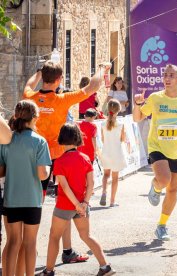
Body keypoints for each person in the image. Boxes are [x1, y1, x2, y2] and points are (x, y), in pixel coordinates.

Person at [23, 60, 111, 263]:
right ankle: (66, 251)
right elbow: (93, 87)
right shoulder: (62, 99)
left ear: (44, 78)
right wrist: (101, 68)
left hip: (35, 157)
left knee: (35, 205)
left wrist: (38, 72)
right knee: (66, 203)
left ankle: (35, 250)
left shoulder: (30, 97)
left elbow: (28, 85)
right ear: (59, 79)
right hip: (59, 158)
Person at [133, 64, 177, 241]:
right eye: (165, 75)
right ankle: (155, 186)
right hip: (157, 146)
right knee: (164, 180)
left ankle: (162, 225)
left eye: (171, 75)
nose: (167, 78)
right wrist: (138, 103)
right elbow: (137, 117)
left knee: (172, 190)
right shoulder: (156, 98)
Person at [38, 123, 115, 276]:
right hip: (82, 205)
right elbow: (91, 183)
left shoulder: (59, 161)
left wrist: (76, 204)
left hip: (64, 205)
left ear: (61, 138)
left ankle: (48, 270)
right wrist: (83, 204)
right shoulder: (85, 158)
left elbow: (65, 188)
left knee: (54, 237)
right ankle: (105, 266)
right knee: (86, 235)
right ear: (78, 138)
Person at [1, 100, 51, 275]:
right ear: (35, 117)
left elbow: (1, 171)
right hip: (32, 199)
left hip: (11, 198)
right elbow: (42, 174)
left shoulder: (6, 140)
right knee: (30, 243)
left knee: (13, 241)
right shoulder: (40, 142)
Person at [99, 99, 127, 207]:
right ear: (118, 110)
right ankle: (112, 201)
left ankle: (104, 192)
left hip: (106, 151)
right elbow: (123, 139)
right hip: (117, 153)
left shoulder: (102, 124)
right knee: (115, 178)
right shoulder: (121, 124)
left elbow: (102, 139)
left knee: (106, 175)